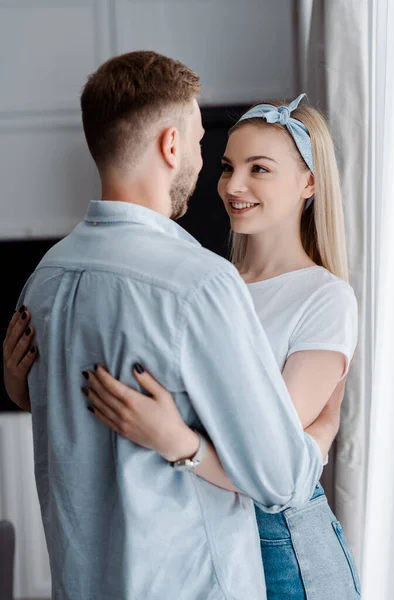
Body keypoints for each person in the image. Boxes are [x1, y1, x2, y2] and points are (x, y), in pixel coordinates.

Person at [1, 51, 340, 600]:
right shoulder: (200, 284)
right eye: (204, 143)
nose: (210, 168)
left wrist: (20, 389)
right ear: (171, 144)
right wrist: (322, 431)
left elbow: (60, 412)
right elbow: (281, 480)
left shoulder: (45, 280)